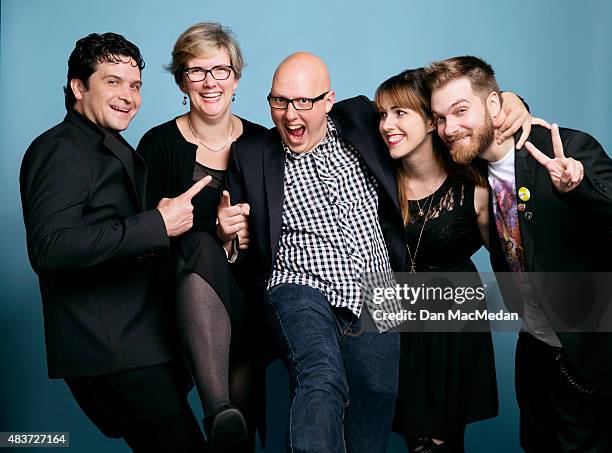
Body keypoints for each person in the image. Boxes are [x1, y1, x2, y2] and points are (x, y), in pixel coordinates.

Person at [218, 52, 530, 453]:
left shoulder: (364, 121)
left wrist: (510, 101)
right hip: (301, 283)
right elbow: (243, 248)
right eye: (279, 101)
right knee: (320, 374)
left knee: (382, 396)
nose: (291, 114)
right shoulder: (253, 153)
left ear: (328, 101)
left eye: (303, 102)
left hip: (395, 298)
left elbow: (443, 100)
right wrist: (228, 238)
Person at [20, 32, 210, 452]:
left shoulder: (107, 146)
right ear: (78, 87)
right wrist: (155, 224)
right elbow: (50, 247)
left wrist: (152, 220)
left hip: (139, 344)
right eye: (112, 81)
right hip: (112, 350)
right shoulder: (60, 150)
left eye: (135, 84)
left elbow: (107, 231)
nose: (128, 95)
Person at [426, 55, 612, 452]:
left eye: (460, 111)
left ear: (493, 105)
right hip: (535, 357)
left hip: (587, 357)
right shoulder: (467, 171)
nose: (449, 128)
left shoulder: (564, 149)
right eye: (440, 118)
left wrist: (578, 188)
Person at [136, 22, 266, 452]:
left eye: (220, 70)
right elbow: (143, 242)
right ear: (180, 80)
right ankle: (218, 409)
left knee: (237, 445)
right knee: (196, 242)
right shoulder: (157, 146)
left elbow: (286, 237)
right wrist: (212, 234)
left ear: (237, 77)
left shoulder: (265, 145)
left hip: (251, 306)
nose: (210, 82)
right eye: (196, 71)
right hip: (181, 309)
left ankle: (222, 415)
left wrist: (239, 241)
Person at [375, 69, 498, 452]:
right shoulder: (377, 178)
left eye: (400, 113)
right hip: (395, 324)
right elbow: (344, 114)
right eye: (382, 114)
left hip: (451, 331)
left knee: (440, 444)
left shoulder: (475, 188)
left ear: (431, 121)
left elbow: (516, 257)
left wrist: (511, 104)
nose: (387, 125)